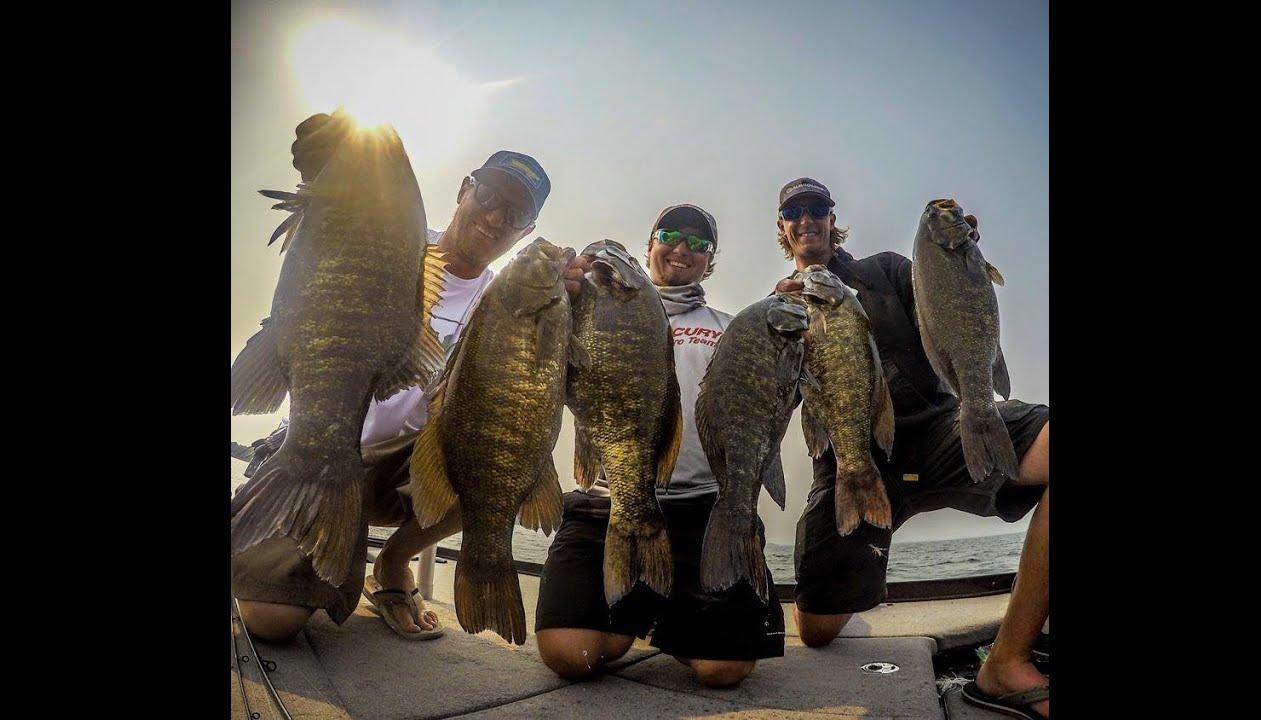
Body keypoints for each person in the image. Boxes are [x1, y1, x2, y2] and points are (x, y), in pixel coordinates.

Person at [231, 110, 552, 643]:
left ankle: (394, 565)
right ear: (464, 190)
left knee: (502, 463)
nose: (495, 218)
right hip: (320, 447)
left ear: (527, 231)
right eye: (490, 196)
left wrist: (581, 297)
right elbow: (327, 236)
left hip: (407, 474)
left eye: (514, 213)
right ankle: (332, 533)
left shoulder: (510, 303)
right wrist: (321, 170)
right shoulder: (394, 236)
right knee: (270, 621)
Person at [773, 178, 1050, 719]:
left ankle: (1007, 662)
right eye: (793, 211)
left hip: (942, 434)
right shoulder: (781, 304)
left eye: (817, 208)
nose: (806, 218)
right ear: (783, 228)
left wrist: (957, 263)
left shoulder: (889, 270)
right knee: (817, 631)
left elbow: (943, 308)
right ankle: (868, 550)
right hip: (854, 466)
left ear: (832, 219)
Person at [535, 204, 785, 688]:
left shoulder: (734, 327)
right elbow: (537, 362)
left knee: (724, 670)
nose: (682, 247)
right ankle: (648, 609)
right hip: (606, 500)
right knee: (574, 656)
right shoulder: (581, 309)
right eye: (670, 234)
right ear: (648, 247)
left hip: (704, 508)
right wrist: (552, 292)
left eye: (699, 242)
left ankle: (660, 608)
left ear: (710, 261)